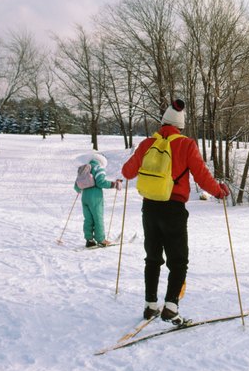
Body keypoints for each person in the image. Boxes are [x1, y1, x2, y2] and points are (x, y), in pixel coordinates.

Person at [122, 99, 230, 326]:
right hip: (174, 209)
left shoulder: (148, 144)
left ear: (162, 123)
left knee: (152, 258)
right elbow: (202, 176)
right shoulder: (186, 144)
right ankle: (171, 307)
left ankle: (150, 305)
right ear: (181, 126)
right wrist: (219, 192)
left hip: (149, 208)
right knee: (178, 261)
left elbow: (127, 172)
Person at [74, 153, 122, 248]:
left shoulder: (84, 168)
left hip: (84, 196)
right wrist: (114, 184)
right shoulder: (98, 168)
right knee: (97, 217)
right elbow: (100, 182)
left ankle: (89, 240)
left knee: (88, 219)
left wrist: (81, 189)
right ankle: (101, 240)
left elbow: (76, 186)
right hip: (95, 196)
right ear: (102, 162)